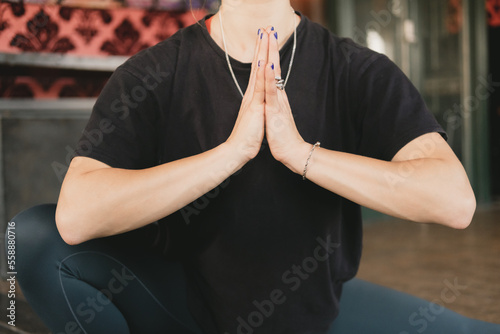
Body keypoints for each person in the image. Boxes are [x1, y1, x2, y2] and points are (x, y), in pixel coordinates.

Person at [9, 0, 500, 333]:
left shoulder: (358, 72)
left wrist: (300, 154)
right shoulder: (152, 73)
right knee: (25, 239)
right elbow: (75, 216)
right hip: (191, 309)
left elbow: (453, 200)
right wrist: (232, 153)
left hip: (315, 311)